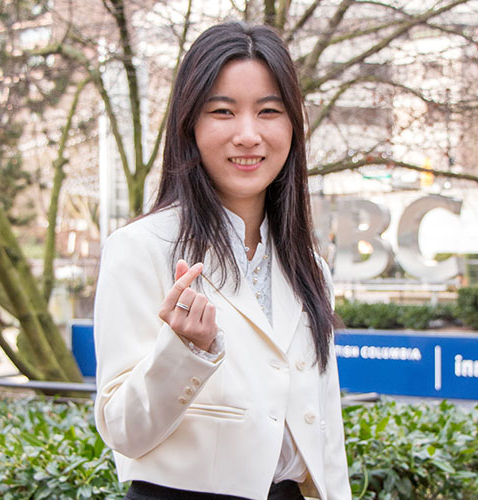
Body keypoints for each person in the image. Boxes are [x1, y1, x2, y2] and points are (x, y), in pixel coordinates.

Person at [92, 21, 351, 500]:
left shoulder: (309, 265)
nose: (248, 135)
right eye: (223, 111)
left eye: (269, 111)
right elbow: (121, 430)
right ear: (190, 123)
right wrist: (183, 351)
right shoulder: (139, 248)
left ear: (294, 125)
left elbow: (323, 430)